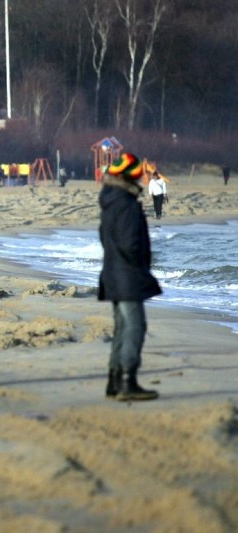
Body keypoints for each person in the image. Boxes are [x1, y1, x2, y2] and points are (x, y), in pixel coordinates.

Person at [98, 153, 161, 401]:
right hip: (127, 276)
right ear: (130, 176)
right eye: (139, 174)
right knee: (135, 326)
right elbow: (130, 244)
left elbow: (105, 238)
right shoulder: (125, 203)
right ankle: (127, 381)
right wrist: (139, 267)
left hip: (113, 273)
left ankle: (114, 382)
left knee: (123, 327)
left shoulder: (110, 200)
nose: (143, 178)